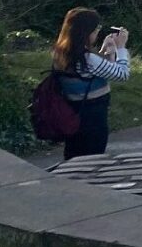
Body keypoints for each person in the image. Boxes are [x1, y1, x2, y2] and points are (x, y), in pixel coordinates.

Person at [50, 8, 130, 160]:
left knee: (74, 158)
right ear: (86, 32)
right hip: (93, 118)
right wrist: (121, 48)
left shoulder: (60, 54)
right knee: (92, 160)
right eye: (96, 29)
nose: (97, 33)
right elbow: (122, 74)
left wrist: (108, 52)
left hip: (73, 115)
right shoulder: (87, 59)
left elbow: (96, 73)